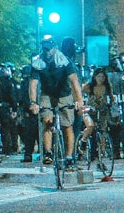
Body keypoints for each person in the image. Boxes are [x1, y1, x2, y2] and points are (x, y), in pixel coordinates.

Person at [28, 36, 86, 169]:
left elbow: (74, 82)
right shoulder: (38, 63)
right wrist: (33, 102)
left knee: (67, 126)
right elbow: (33, 84)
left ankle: (69, 156)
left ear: (55, 49)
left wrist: (78, 100)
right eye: (45, 50)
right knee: (47, 120)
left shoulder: (65, 62)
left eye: (49, 49)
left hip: (64, 94)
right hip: (47, 94)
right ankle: (48, 152)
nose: (47, 52)